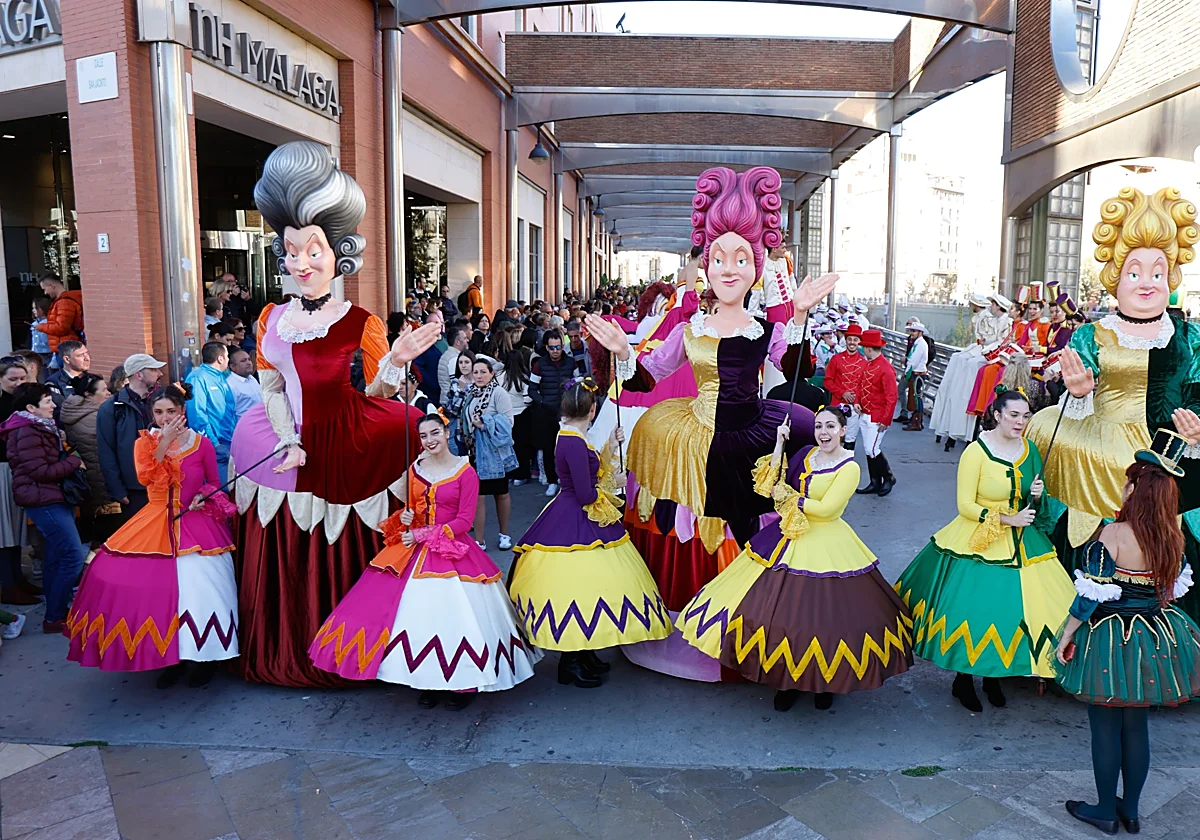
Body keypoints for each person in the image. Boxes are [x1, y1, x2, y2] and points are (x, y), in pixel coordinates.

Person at [584, 166, 834, 682]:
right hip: (694, 433)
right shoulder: (689, 326)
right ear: (705, 265)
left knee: (768, 501)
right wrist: (624, 352)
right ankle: (698, 629)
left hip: (754, 430)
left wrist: (800, 316)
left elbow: (794, 371)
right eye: (718, 257)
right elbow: (648, 378)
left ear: (756, 267)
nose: (728, 268)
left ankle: (762, 625)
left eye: (741, 258)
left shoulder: (765, 327)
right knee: (694, 516)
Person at [230, 141, 441, 687]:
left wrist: (396, 360)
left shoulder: (362, 320)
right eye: (290, 251)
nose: (301, 263)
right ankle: (291, 642)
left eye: (314, 250)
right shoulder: (270, 318)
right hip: (288, 440)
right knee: (251, 449)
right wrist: (288, 439)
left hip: (347, 432)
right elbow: (271, 387)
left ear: (339, 252)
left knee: (412, 432)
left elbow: (378, 393)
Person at [1025, 187, 1200, 622]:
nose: (1146, 282)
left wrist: (1196, 430)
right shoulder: (1093, 333)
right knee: (1046, 429)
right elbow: (1075, 387)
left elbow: (1197, 394)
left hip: (1168, 444)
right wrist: (1079, 394)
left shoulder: (1188, 337)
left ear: (1170, 279)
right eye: (1135, 272)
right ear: (1116, 279)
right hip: (1100, 438)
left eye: (1157, 273)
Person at [678, 407, 912, 709]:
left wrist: (791, 498)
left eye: (830, 426)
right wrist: (779, 443)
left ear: (843, 431)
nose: (824, 432)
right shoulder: (805, 454)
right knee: (784, 617)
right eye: (819, 426)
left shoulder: (849, 467)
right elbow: (768, 484)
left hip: (828, 543)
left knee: (826, 621)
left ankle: (825, 683)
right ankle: (787, 681)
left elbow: (827, 509)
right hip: (787, 536)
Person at [309, 414, 539, 708]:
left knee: (452, 616)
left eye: (435, 433)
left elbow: (464, 521)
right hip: (413, 550)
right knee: (418, 617)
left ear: (447, 433)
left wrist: (423, 533)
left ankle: (463, 683)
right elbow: (414, 509)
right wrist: (408, 518)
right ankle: (429, 680)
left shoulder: (466, 473)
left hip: (452, 550)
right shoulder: (414, 469)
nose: (430, 440)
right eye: (424, 436)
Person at [1053, 436, 1200, 835]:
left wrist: (1066, 637)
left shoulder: (1114, 534)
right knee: (1136, 727)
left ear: (1135, 490)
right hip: (1153, 636)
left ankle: (1104, 810)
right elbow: (1169, 592)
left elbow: (1088, 599)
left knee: (1104, 726)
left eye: (1128, 482)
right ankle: (1130, 812)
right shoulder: (1173, 536)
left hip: (1107, 637)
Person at [894, 389, 1075, 711]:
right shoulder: (976, 452)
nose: (1020, 422)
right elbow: (965, 505)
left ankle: (994, 677)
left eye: (1025, 416)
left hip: (1023, 541)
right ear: (997, 415)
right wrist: (1007, 519)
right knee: (974, 611)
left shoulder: (1031, 450)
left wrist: (1036, 495)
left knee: (1009, 611)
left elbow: (1036, 504)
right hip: (978, 538)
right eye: (1013, 415)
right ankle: (963, 679)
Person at [66, 383, 239, 687]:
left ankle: (206, 658)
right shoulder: (143, 444)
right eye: (158, 412)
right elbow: (146, 477)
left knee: (203, 591)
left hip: (197, 524)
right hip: (155, 521)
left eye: (171, 411)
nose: (164, 417)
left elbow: (215, 481)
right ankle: (170, 658)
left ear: (182, 411)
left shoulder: (202, 444)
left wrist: (203, 494)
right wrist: (164, 442)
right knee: (156, 594)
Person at [509, 378, 673, 687]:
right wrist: (615, 483)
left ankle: (585, 654)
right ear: (592, 409)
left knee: (588, 589)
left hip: (574, 514)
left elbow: (588, 471)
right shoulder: (572, 441)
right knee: (581, 589)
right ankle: (570, 662)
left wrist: (609, 446)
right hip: (577, 516)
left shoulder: (572, 435)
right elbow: (586, 493)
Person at [1, 382, 89, 633]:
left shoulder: (40, 426)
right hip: (43, 500)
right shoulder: (26, 431)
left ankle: (55, 613)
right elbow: (40, 471)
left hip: (54, 496)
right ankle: (55, 616)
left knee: (56, 556)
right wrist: (74, 462)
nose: (53, 406)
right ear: (31, 408)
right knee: (73, 555)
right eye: (47, 401)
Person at [932, 293, 1011, 452]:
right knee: (958, 358)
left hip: (995, 355)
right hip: (986, 350)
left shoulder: (1006, 322)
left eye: (994, 304)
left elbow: (1001, 342)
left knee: (971, 364)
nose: (991, 307)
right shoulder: (993, 320)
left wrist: (987, 348)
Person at [97, 354, 163, 520]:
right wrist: (117, 490)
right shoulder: (112, 408)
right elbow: (106, 451)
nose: (160, 373)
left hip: (162, 483)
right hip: (134, 488)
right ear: (138, 375)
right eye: (154, 369)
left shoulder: (161, 403)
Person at [60, 372, 120, 546]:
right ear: (88, 395)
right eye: (104, 390)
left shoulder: (73, 411)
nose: (109, 393)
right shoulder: (97, 417)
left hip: (86, 483)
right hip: (101, 483)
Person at [463, 358, 516, 550]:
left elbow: (508, 423)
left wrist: (484, 424)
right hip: (474, 452)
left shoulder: (499, 393)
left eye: (483, 372)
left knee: (501, 493)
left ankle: (504, 534)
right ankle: (479, 540)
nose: (479, 376)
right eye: (475, 372)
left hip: (495, 453)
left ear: (491, 373)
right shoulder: (470, 393)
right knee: (478, 495)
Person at [0, 360, 36, 606]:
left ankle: (17, 578)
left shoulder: (24, 403)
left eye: (22, 378)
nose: (18, 383)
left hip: (18, 469)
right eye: (12, 379)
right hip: (3, 469)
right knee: (5, 531)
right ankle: (8, 585)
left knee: (16, 529)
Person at [851, 330, 899, 496]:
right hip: (865, 413)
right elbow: (860, 385)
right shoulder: (868, 364)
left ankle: (889, 477)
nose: (863, 350)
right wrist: (857, 401)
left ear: (869, 348)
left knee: (872, 449)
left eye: (864, 347)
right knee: (868, 449)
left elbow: (892, 397)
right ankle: (875, 481)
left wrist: (885, 419)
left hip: (877, 416)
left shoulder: (886, 369)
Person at [529, 330, 575, 497]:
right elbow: (532, 389)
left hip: (567, 412)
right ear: (547, 348)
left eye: (558, 347)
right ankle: (552, 481)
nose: (555, 351)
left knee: (568, 447)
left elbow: (578, 382)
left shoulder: (571, 363)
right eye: (552, 347)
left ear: (563, 346)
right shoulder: (539, 365)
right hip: (547, 412)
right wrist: (542, 402)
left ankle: (567, 480)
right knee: (548, 448)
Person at [185, 341, 237, 485]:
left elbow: (230, 410)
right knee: (219, 489)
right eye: (227, 356)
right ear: (220, 358)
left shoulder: (221, 376)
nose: (228, 359)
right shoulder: (197, 378)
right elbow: (197, 415)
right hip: (216, 445)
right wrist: (213, 444)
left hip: (228, 442)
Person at [822, 324, 867, 448]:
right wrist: (842, 393)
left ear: (859, 342)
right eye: (850, 339)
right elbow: (827, 381)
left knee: (850, 441)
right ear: (845, 340)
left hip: (855, 407)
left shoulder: (864, 363)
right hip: (837, 405)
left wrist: (857, 400)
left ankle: (848, 460)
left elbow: (864, 386)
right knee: (833, 439)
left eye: (855, 340)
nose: (852, 342)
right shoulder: (836, 359)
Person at [37, 275, 84, 362]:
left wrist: (41, 327)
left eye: (45, 289)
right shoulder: (63, 300)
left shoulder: (64, 302)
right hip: (67, 347)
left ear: (51, 286)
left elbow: (61, 328)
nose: (45, 293)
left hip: (66, 348)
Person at [444, 350, 475, 456]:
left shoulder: (479, 382)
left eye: (467, 362)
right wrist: (461, 390)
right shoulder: (455, 383)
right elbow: (451, 409)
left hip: (476, 428)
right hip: (460, 430)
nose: (463, 365)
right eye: (460, 362)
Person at [901, 321, 929, 431]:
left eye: (914, 331)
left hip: (917, 374)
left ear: (920, 332)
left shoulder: (920, 344)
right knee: (916, 397)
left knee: (916, 398)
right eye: (911, 331)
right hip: (917, 373)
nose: (911, 333)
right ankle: (916, 420)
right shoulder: (919, 343)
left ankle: (917, 422)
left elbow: (913, 361)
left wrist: (906, 373)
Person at [46, 339, 90, 410]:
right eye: (80, 355)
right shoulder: (54, 383)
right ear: (67, 359)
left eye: (87, 353)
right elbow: (60, 410)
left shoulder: (92, 379)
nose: (87, 358)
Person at [226, 348, 263, 420]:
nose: (249, 363)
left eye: (249, 359)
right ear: (233, 366)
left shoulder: (251, 378)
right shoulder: (230, 385)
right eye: (243, 361)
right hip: (244, 424)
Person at [439, 322, 470, 407]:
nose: (468, 340)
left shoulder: (450, 355)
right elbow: (456, 384)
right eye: (465, 338)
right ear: (458, 342)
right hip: (452, 403)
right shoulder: (454, 359)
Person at [30, 297, 51, 367]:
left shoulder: (50, 323)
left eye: (36, 308)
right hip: (37, 354)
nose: (34, 310)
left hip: (49, 354)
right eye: (33, 308)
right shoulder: (34, 323)